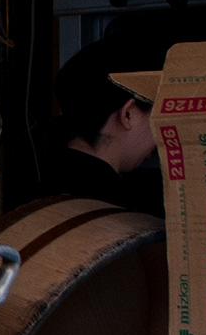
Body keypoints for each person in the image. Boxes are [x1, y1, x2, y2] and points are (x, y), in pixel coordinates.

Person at [36, 32, 168, 215]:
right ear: (128, 114)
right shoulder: (135, 212)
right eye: (156, 113)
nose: (160, 133)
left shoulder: (35, 193)